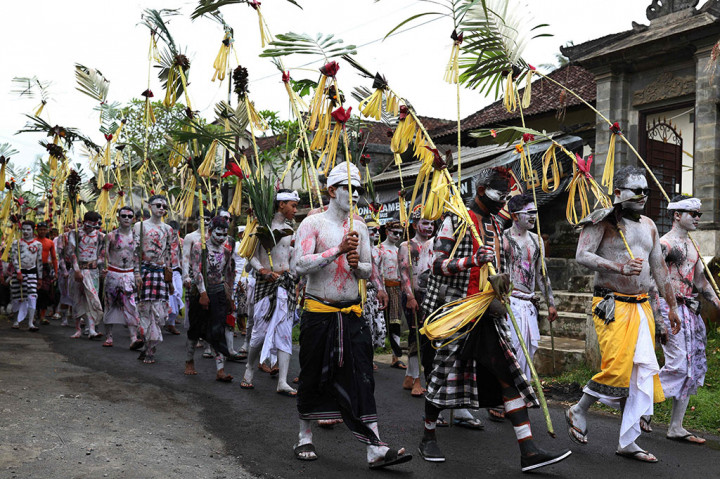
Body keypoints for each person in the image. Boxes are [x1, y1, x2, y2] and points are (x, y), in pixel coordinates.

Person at [418, 167, 570, 472]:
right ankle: (428, 435)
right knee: (444, 374)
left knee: (507, 375)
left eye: (505, 194)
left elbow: (499, 264)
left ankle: (528, 450)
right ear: (481, 189)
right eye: (498, 193)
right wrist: (470, 261)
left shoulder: (495, 226)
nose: (503, 200)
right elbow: (436, 265)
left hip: (488, 311)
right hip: (458, 312)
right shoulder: (455, 220)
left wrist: (501, 283)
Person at [292, 162, 412, 468]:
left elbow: (367, 270)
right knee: (312, 374)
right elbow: (300, 265)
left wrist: (357, 262)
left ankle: (375, 448)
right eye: (349, 188)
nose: (355, 194)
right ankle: (304, 436)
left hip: (352, 314)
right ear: (332, 191)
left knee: (363, 378)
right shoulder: (313, 224)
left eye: (358, 189)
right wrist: (337, 250)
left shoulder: (360, 227)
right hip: (319, 312)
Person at [566, 166, 680, 463]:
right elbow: (582, 255)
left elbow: (658, 269)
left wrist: (672, 306)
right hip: (611, 303)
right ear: (618, 193)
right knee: (617, 367)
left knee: (641, 369)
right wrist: (618, 267)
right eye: (636, 191)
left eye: (646, 191)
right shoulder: (602, 220)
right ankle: (578, 408)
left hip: (642, 305)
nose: (643, 196)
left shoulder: (650, 225)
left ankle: (628, 440)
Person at [647, 195, 719, 444]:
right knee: (678, 364)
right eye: (693, 214)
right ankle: (644, 403)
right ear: (677, 215)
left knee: (691, 368)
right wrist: (659, 315)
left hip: (690, 311)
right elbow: (652, 283)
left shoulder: (694, 246)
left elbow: (700, 281)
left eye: (699, 214)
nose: (698, 218)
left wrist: (718, 302)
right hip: (670, 309)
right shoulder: (664, 245)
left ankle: (676, 426)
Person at [242, 189, 299, 396]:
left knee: (285, 333)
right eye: (293, 205)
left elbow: (290, 254)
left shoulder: (289, 228)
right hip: (266, 285)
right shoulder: (262, 227)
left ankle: (282, 381)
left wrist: (293, 273)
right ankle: (249, 368)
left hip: (285, 283)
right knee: (259, 334)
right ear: (281, 204)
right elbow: (250, 255)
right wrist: (263, 270)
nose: (295, 209)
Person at [501, 194, 558, 385]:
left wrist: (551, 303)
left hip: (529, 303)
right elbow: (499, 272)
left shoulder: (537, 240)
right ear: (515, 216)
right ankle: (508, 396)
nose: (534, 216)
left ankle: (523, 390)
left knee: (527, 350)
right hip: (511, 302)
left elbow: (542, 274)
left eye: (535, 212)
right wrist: (502, 299)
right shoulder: (504, 239)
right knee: (513, 350)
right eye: (529, 213)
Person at [185, 216, 235, 382]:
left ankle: (220, 370)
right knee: (195, 330)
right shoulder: (200, 248)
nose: (221, 238)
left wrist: (229, 297)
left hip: (218, 292)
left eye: (224, 235)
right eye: (218, 234)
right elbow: (196, 272)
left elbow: (228, 275)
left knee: (217, 330)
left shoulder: (226, 251)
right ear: (210, 231)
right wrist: (203, 294)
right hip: (200, 293)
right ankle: (189, 361)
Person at [398, 206, 435, 396]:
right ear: (414, 224)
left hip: (432, 295)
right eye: (425, 223)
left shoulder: (437, 244)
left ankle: (410, 376)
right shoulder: (407, 246)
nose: (429, 227)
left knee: (429, 336)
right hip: (414, 295)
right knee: (416, 336)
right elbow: (404, 274)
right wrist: (410, 296)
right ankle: (416, 380)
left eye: (432, 223)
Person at [133, 195, 173, 364]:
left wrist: (169, 279)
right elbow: (135, 252)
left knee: (160, 314)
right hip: (144, 272)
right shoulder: (139, 226)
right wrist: (136, 274)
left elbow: (169, 253)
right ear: (150, 206)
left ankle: (150, 344)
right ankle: (149, 349)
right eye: (158, 205)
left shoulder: (168, 229)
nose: (162, 209)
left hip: (160, 273)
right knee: (144, 310)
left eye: (164, 206)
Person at [102, 206, 142, 349]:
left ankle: (133, 338)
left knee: (131, 304)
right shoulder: (110, 236)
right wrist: (103, 268)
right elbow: (103, 256)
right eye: (123, 216)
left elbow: (138, 258)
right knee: (110, 304)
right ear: (118, 218)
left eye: (130, 216)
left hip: (129, 273)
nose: (126, 218)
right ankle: (109, 336)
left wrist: (137, 275)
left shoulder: (137, 238)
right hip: (113, 273)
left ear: (133, 219)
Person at [67, 212, 105, 339]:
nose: (90, 229)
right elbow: (71, 253)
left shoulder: (100, 236)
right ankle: (78, 329)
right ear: (84, 222)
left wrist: (100, 266)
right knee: (77, 299)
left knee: (91, 299)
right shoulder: (75, 233)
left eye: (94, 226)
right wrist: (77, 270)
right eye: (88, 225)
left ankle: (92, 329)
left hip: (92, 272)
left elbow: (101, 255)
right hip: (78, 271)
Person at [378, 218, 405, 369]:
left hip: (397, 288)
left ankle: (396, 357)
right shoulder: (379, 249)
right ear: (387, 232)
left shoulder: (399, 250)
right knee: (378, 323)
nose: (397, 236)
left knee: (395, 322)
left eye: (400, 233)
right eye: (395, 232)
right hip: (381, 288)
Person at [10, 220, 43, 331]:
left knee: (32, 297)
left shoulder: (38, 244)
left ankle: (30, 323)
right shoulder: (16, 243)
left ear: (33, 231)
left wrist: (40, 278)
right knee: (17, 297)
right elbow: (14, 258)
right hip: (19, 274)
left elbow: (39, 261)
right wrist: (18, 272)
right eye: (23, 229)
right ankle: (16, 321)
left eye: (28, 229)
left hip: (32, 274)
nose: (25, 232)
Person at [365, 219, 388, 352]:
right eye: (373, 230)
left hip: (376, 293)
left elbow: (380, 274)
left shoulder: (379, 251)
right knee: (366, 325)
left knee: (377, 326)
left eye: (378, 230)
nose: (377, 233)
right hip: (364, 293)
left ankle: (371, 356)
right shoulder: (361, 249)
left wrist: (383, 291)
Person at [35, 221, 58, 325]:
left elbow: (54, 258)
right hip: (34, 268)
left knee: (45, 291)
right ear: (37, 230)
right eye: (40, 229)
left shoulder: (50, 242)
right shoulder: (33, 241)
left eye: (44, 229)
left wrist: (56, 272)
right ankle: (35, 314)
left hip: (45, 268)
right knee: (34, 292)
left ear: (47, 230)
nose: (42, 231)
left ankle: (42, 316)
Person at [165, 220, 183, 336]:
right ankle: (170, 323)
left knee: (178, 294)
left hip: (177, 271)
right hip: (166, 271)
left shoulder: (181, 242)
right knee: (171, 296)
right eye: (172, 232)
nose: (174, 235)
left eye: (175, 233)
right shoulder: (163, 241)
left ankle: (171, 319)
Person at [54, 225, 74, 326]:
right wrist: (64, 270)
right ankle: (64, 317)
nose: (69, 228)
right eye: (68, 226)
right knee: (65, 294)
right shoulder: (62, 238)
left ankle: (81, 319)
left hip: (78, 269)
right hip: (65, 268)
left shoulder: (80, 236)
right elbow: (60, 255)